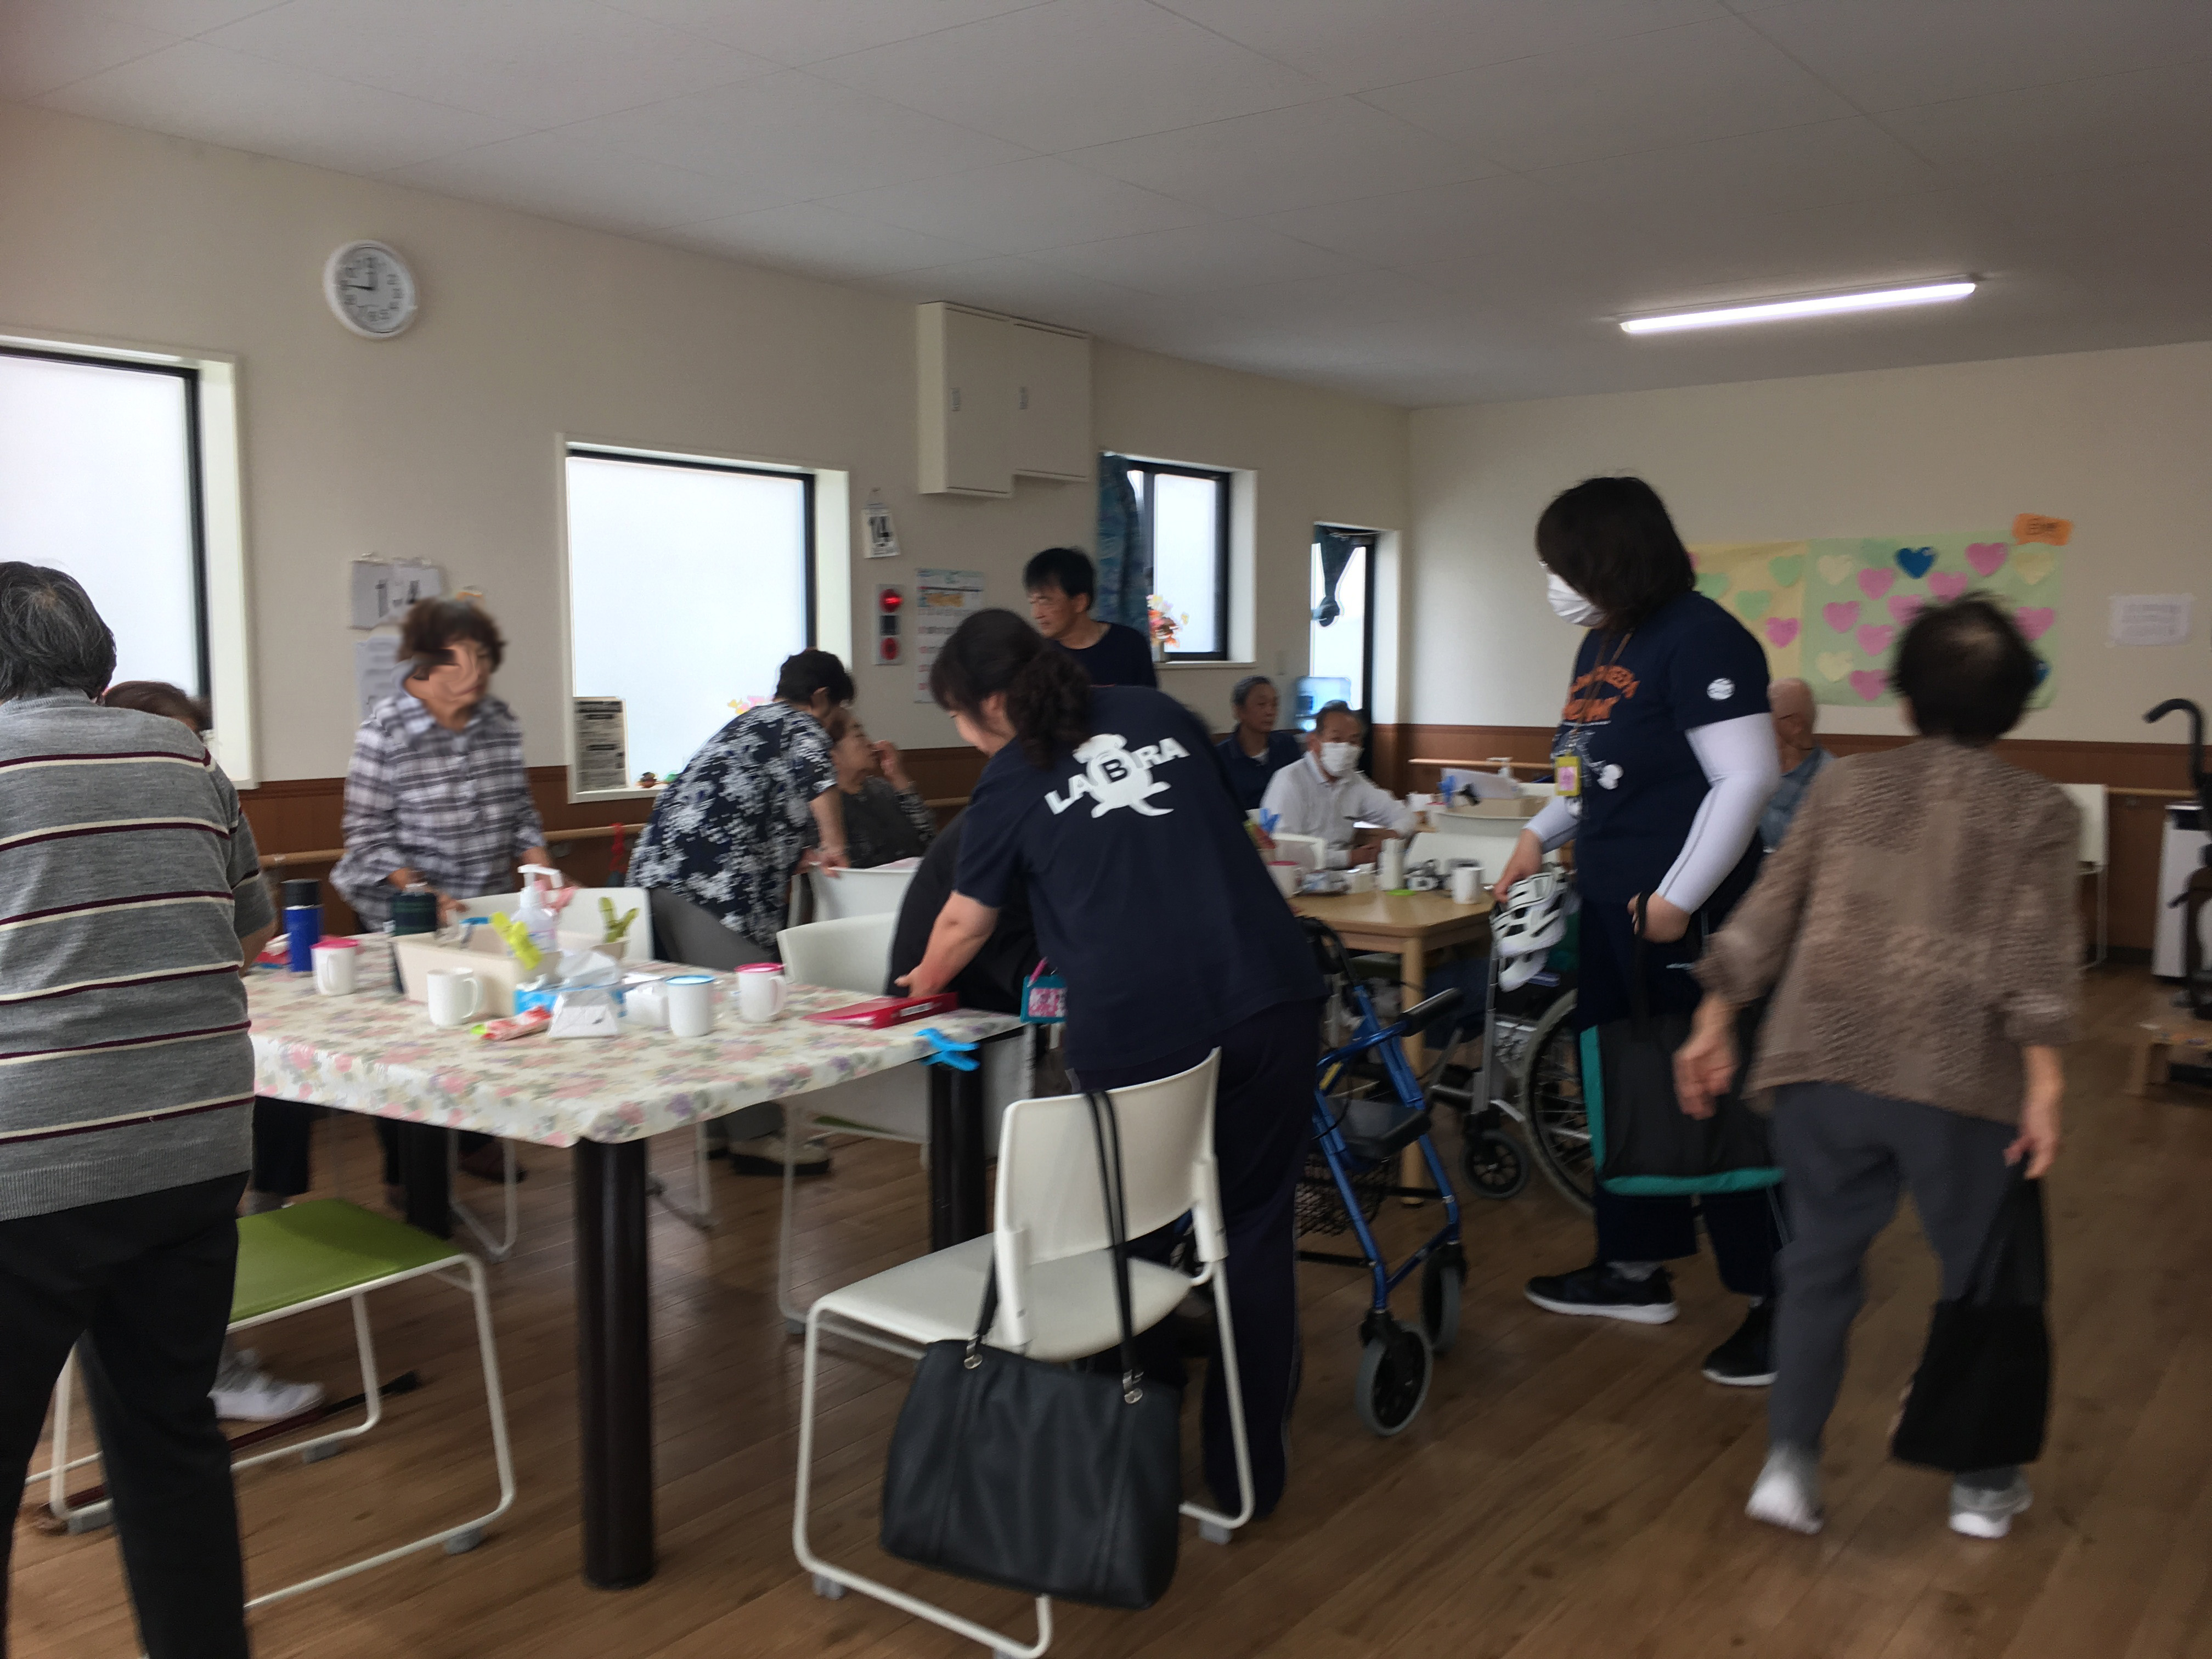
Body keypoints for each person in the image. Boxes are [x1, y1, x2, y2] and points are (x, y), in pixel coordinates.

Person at [900, 608, 1324, 1520]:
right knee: (1253, 1236)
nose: (965, 739)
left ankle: (1133, 1458)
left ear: (989, 704)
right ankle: (1247, 1480)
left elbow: (963, 923)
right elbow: (1224, 830)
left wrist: (917, 984)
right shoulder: (1157, 711)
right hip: (1273, 997)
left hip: (1146, 1029)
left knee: (1125, 1243)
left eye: (959, 719)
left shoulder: (1011, 778)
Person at [1676, 596, 2074, 1541]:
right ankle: (1982, 1485)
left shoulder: (1844, 787)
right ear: (2014, 709)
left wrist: (1713, 1015)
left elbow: (1770, 905)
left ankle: (1789, 1466)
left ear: (1903, 700)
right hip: (1956, 1080)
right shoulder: (2039, 811)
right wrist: (2047, 1084)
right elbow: (2035, 959)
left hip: (1822, 1062)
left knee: (1817, 1264)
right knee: (1982, 1272)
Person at [0, 566, 275, 1658]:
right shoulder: (183, 757)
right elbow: (249, 930)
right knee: (170, 1435)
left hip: (29, 1170)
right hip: (193, 1150)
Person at [1492, 476, 1783, 1384]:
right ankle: (1631, 1268)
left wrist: (1679, 897)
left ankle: (1779, 1300)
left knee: (1718, 1100)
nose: (1554, 584)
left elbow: (1746, 779)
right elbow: (1583, 772)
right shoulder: (1601, 642)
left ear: (1608, 559)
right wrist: (1537, 836)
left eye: (1562, 565)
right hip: (1616, 915)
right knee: (1625, 1087)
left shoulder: (1703, 638)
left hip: (1694, 923)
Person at [98, 680, 325, 1424]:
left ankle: (199, 1353)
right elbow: (252, 933)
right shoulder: (192, 798)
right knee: (178, 1227)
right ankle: (207, 1370)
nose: (193, 752)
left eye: (198, 738)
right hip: (162, 1074)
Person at [330, 598, 550, 1197]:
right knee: (411, 1043)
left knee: (484, 1019)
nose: (475, 672)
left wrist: (543, 873)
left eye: (483, 657)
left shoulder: (499, 722)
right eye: (459, 658)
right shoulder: (385, 732)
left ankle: (473, 1140)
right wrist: (428, 895)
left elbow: (522, 815)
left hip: (485, 907)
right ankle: (407, 1173)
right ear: (425, 663)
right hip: (405, 911)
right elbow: (367, 841)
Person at [629, 647, 853, 1175]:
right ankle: (756, 1135)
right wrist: (836, 845)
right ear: (821, 697)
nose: (837, 724)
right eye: (839, 710)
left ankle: (717, 1126)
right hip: (710, 883)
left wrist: (797, 851)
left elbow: (758, 805)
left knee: (709, 1008)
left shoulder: (749, 725)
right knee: (747, 1007)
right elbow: (818, 780)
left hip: (663, 874)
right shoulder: (799, 724)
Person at [1258, 701, 1415, 849]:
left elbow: (1406, 816)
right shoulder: (1290, 780)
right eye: (1336, 739)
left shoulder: (1353, 781)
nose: (1345, 748)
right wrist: (1349, 858)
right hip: (1298, 867)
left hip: (1346, 867)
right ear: (1313, 742)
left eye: (1353, 741)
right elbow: (1285, 847)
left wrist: (1390, 836)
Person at [1024, 546, 1157, 689]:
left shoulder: (1130, 644)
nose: (1037, 614)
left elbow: (1148, 700)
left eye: (1046, 601)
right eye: (1033, 603)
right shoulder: (1036, 656)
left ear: (1080, 603)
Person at [828, 709, 935, 869]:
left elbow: (929, 838)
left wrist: (898, 777)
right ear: (832, 755)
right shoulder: (825, 804)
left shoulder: (882, 788)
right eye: (859, 736)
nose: (870, 743)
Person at [1760, 678, 1835, 851]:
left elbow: (1804, 842)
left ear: (1795, 725)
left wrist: (1749, 809)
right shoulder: (1750, 767)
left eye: (1765, 718)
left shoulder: (1832, 777)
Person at [1216, 674, 1304, 812]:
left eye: (1274, 705)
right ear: (1239, 711)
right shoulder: (1220, 758)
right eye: (1262, 705)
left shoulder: (1287, 745)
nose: (1270, 712)